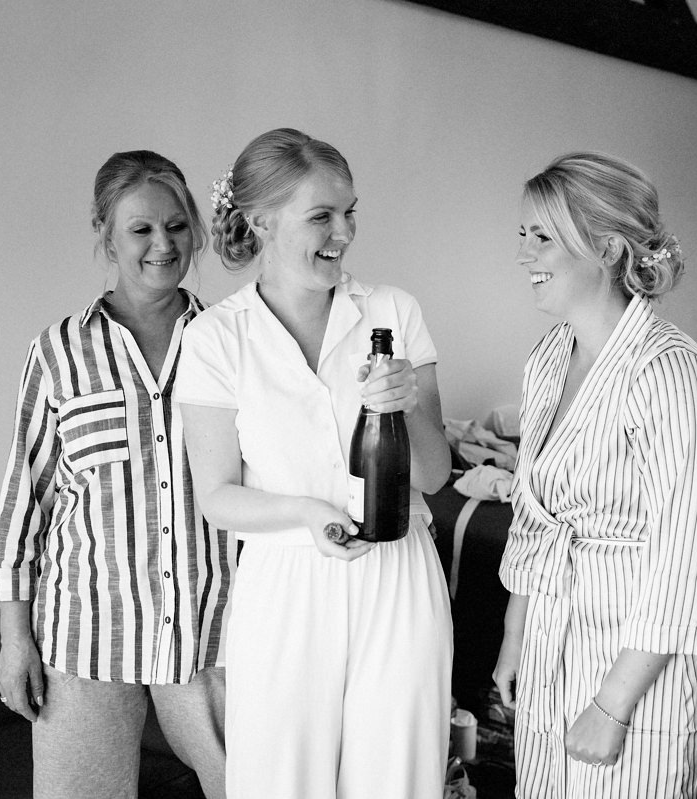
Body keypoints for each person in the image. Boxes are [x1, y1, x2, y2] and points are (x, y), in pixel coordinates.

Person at [175, 127, 453, 798]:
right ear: (260, 221)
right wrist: (306, 513)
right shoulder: (215, 338)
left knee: (399, 777)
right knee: (280, 780)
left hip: (399, 573)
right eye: (322, 215)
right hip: (285, 582)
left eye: (350, 211)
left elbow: (435, 473)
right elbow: (216, 494)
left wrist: (407, 404)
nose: (344, 231)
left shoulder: (393, 311)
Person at [0, 150, 231, 799]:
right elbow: (25, 506)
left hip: (215, 631)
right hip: (86, 637)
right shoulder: (60, 350)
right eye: (141, 229)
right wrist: (16, 641)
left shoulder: (233, 342)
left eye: (177, 226)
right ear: (106, 233)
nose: (163, 244)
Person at [494, 152, 697, 798]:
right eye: (523, 235)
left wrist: (613, 702)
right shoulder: (549, 357)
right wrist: (516, 634)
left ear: (605, 247)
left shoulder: (672, 373)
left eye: (542, 236)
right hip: (552, 637)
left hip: (641, 664)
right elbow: (533, 513)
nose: (524, 255)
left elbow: (685, 562)